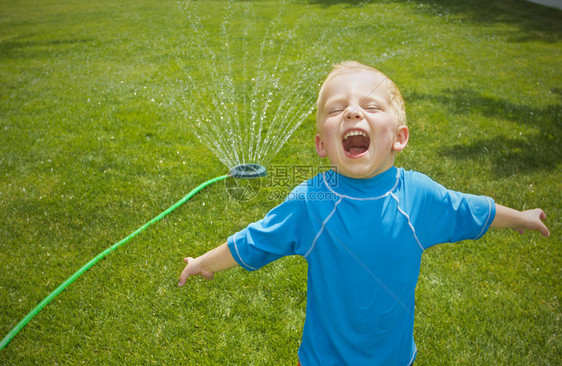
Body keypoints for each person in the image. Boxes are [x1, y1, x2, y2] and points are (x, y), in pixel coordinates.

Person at [178, 61, 550, 365]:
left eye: (371, 107)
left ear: (399, 137)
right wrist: (205, 262)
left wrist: (520, 217)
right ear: (322, 145)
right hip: (323, 360)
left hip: (394, 358)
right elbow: (256, 238)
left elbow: (472, 209)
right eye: (337, 108)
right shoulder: (312, 201)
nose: (353, 111)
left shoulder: (417, 196)